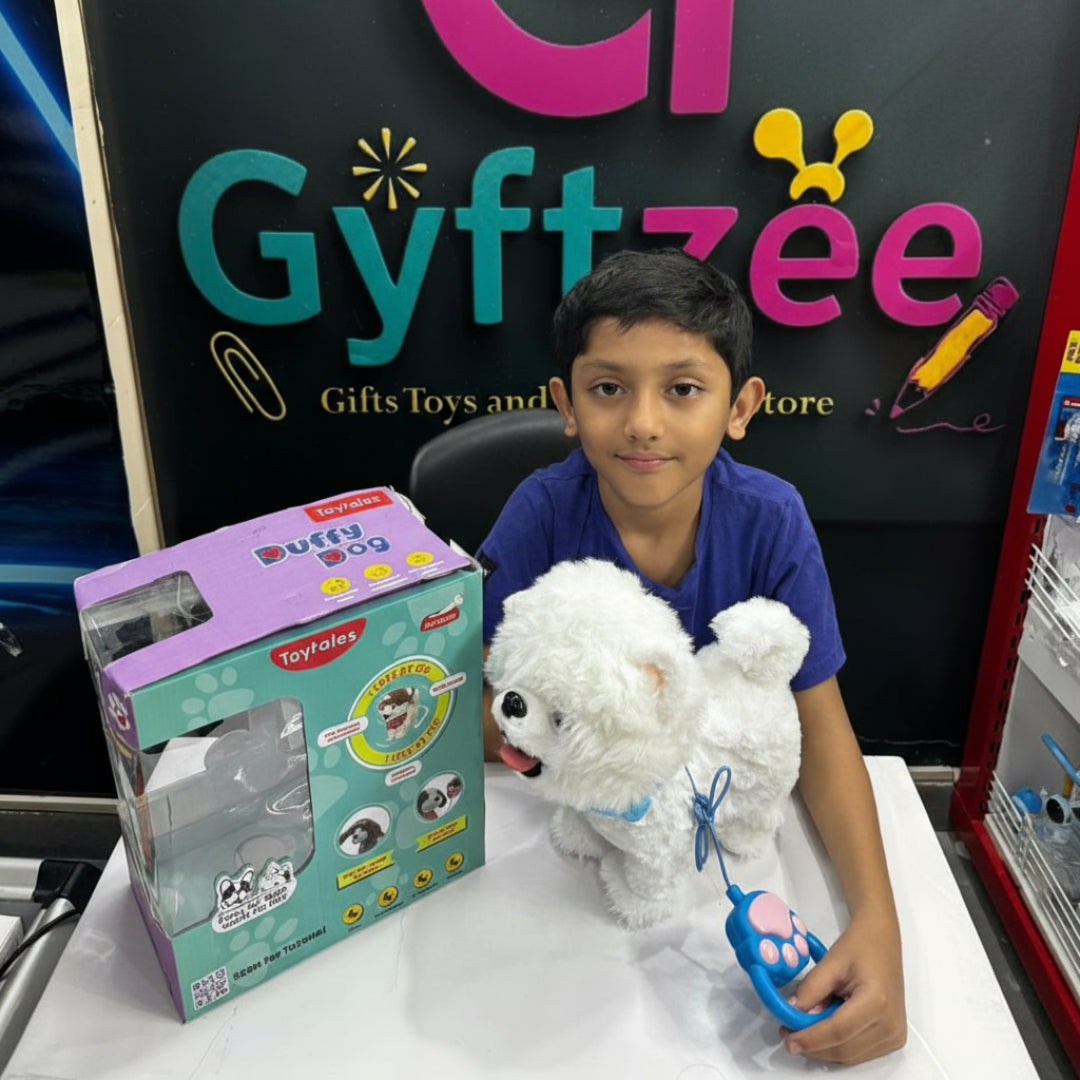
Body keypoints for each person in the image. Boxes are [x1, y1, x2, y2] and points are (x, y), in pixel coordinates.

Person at [476, 247, 906, 1066]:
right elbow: (483, 707)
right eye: (609, 388)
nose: (642, 421)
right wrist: (547, 744)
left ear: (739, 406)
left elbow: (823, 732)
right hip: (576, 868)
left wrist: (876, 925)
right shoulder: (540, 514)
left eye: (682, 389)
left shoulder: (771, 521)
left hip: (727, 854)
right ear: (565, 404)